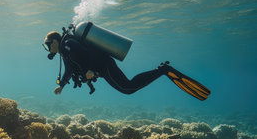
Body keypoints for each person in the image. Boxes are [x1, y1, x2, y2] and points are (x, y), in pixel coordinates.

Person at [42, 27, 211, 101]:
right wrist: (62, 85)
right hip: (102, 66)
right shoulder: (65, 49)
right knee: (127, 87)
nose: (47, 48)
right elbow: (69, 69)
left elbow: (86, 55)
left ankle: (163, 70)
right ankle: (163, 71)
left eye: (48, 44)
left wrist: (90, 70)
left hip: (103, 65)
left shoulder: (68, 45)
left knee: (128, 88)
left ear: (55, 41)